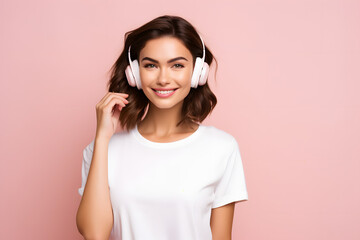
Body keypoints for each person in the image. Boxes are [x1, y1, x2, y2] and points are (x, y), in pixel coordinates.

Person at [76, 15, 248, 240]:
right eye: (151, 65)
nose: (163, 79)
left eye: (177, 65)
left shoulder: (222, 148)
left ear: (197, 72)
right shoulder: (101, 150)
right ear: (135, 73)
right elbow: (94, 234)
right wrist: (102, 137)